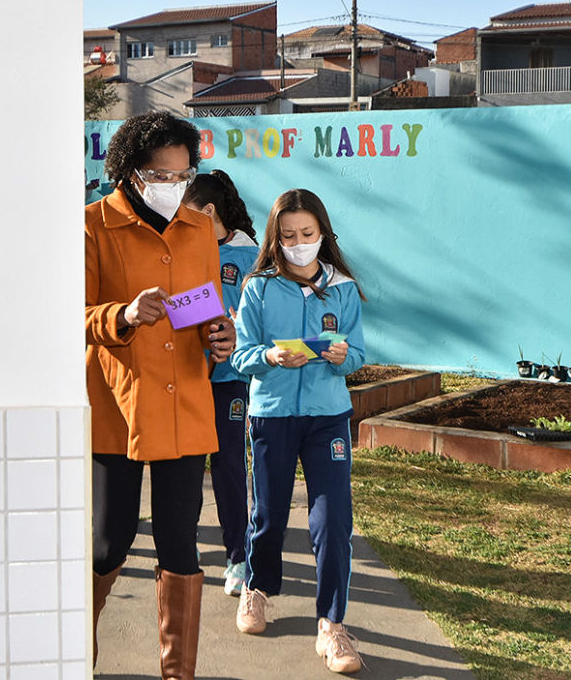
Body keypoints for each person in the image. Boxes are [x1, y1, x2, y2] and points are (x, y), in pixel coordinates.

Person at [86, 112, 236, 680]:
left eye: (184, 175)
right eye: (162, 175)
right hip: (119, 407)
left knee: (181, 546)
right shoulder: (92, 226)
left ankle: (180, 675)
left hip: (186, 404)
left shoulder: (200, 228)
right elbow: (72, 317)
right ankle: (79, 653)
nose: (175, 187)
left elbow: (203, 306)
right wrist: (121, 314)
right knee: (110, 543)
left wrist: (220, 334)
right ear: (128, 172)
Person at [229, 189, 367, 674]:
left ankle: (331, 625)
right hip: (272, 415)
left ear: (322, 234)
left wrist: (340, 356)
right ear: (275, 238)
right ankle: (257, 589)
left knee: (333, 520)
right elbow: (240, 354)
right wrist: (269, 356)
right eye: (287, 236)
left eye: (307, 234)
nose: (298, 243)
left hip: (327, 416)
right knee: (268, 511)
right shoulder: (259, 288)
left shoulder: (343, 287)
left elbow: (359, 353)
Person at [182, 169, 259, 597]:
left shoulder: (249, 255)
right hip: (190, 375)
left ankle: (238, 555)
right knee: (187, 465)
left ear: (209, 212)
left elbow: (243, 316)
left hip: (230, 381)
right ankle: (183, 546)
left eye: (188, 214)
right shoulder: (190, 247)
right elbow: (183, 306)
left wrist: (203, 312)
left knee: (229, 466)